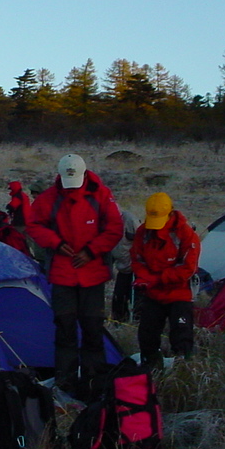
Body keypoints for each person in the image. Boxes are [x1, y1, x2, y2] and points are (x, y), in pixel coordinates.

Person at [26, 153, 123, 399]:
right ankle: (66, 381)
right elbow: (34, 225)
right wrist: (56, 243)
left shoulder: (102, 195)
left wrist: (92, 251)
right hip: (62, 273)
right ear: (59, 175)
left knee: (92, 327)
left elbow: (114, 228)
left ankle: (94, 380)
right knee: (65, 328)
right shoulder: (48, 198)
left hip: (93, 273)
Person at [131, 192, 200, 370]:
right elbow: (137, 260)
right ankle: (151, 373)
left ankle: (183, 376)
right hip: (153, 294)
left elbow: (187, 268)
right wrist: (143, 279)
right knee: (147, 335)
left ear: (170, 214)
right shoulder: (143, 233)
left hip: (180, 294)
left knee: (181, 337)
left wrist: (157, 279)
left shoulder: (186, 235)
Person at [110, 208, 143, 323]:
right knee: (118, 300)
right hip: (123, 268)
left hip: (136, 269)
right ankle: (119, 324)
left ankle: (137, 325)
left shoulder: (129, 220)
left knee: (137, 301)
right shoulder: (103, 222)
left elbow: (142, 239)